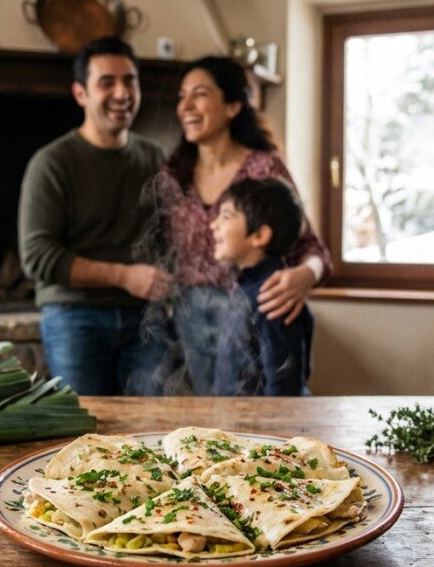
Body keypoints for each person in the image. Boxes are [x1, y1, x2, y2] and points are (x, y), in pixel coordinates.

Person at [137, 56, 331, 395]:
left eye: (199, 94)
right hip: (191, 316)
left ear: (232, 106)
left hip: (258, 306)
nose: (186, 106)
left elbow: (313, 248)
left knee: (269, 405)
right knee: (218, 415)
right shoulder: (173, 173)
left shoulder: (264, 167)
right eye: (182, 96)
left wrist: (305, 276)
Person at [18, 37, 169, 395]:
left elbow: (173, 236)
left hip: (146, 318)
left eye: (129, 80)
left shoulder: (155, 157)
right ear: (80, 93)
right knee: (89, 430)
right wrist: (124, 276)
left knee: (153, 429)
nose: (122, 93)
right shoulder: (51, 163)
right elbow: (37, 257)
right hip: (74, 317)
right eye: (107, 82)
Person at [210, 179, 314, 396]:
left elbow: (283, 387)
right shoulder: (244, 287)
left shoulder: (273, 297)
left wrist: (270, 429)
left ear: (259, 236)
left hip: (261, 426)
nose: (214, 224)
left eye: (226, 216)